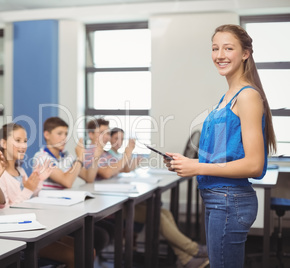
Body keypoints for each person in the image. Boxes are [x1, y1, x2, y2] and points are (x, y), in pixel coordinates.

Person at [165, 24, 276, 268]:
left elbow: (255, 165)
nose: (219, 55)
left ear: (246, 53)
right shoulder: (227, 97)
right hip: (219, 200)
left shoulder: (247, 96)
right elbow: (221, 158)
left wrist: (198, 167)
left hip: (229, 200)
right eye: (215, 48)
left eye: (228, 48)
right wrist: (187, 163)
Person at [106, 126, 209, 267]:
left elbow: (125, 169)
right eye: (116, 138)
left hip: (122, 199)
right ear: (109, 139)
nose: (119, 141)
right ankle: (194, 249)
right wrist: (127, 153)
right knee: (157, 215)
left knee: (164, 212)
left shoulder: (117, 155)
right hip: (113, 207)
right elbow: (108, 172)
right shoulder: (105, 155)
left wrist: (132, 159)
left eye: (121, 139)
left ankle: (187, 259)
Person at [0, 122, 78, 267]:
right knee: (74, 255)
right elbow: (5, 213)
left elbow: (29, 200)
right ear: (4, 143)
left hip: (34, 230)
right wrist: (29, 189)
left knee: (84, 247)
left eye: (25, 141)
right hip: (19, 238)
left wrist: (38, 181)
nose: (24, 145)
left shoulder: (20, 171)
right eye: (18, 140)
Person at [33, 116, 111, 256]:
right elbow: (67, 181)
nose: (64, 138)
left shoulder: (66, 156)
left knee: (100, 236)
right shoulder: (42, 157)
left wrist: (96, 156)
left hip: (65, 211)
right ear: (47, 135)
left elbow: (89, 177)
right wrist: (80, 158)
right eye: (59, 133)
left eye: (65, 134)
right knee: (96, 237)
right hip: (50, 214)